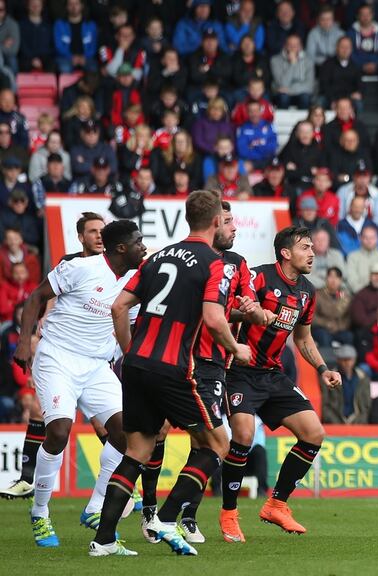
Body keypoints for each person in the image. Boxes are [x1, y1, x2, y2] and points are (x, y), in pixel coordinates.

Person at [90, 191, 252, 557]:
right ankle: (164, 518)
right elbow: (213, 318)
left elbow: (119, 306)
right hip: (172, 367)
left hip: (136, 365)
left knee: (136, 452)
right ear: (215, 222)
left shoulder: (159, 255)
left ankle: (103, 540)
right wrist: (235, 347)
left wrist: (132, 352)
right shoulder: (214, 263)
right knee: (217, 444)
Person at [139, 200, 269, 544]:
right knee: (164, 432)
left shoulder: (238, 265)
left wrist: (250, 310)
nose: (232, 227)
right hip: (178, 357)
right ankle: (153, 510)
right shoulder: (192, 259)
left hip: (211, 364)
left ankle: (187, 516)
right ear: (214, 223)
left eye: (233, 221)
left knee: (206, 442)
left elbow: (248, 306)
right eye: (226, 221)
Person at [12, 220, 144, 547]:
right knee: (58, 431)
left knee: (127, 434)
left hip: (97, 365)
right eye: (138, 242)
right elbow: (35, 297)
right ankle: (40, 514)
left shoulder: (134, 282)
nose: (144, 247)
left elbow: (128, 328)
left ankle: (95, 507)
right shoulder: (79, 268)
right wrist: (25, 341)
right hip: (58, 356)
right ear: (121, 248)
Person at [218, 226, 341, 542]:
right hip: (240, 371)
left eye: (312, 246)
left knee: (314, 433)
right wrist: (249, 316)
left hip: (272, 375)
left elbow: (304, 338)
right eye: (304, 247)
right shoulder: (258, 278)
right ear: (285, 253)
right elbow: (224, 312)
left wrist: (323, 368)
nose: (312, 252)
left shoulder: (307, 292)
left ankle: (276, 503)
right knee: (243, 435)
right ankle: (229, 514)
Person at [312, 267, 353, 348]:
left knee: (349, 336)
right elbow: (312, 316)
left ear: (340, 280)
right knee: (323, 336)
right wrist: (326, 324)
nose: (333, 280)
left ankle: (347, 360)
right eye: (330, 276)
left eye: (337, 277)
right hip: (322, 329)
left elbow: (349, 317)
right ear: (326, 279)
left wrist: (338, 326)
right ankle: (327, 361)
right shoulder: (317, 295)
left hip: (340, 329)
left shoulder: (346, 297)